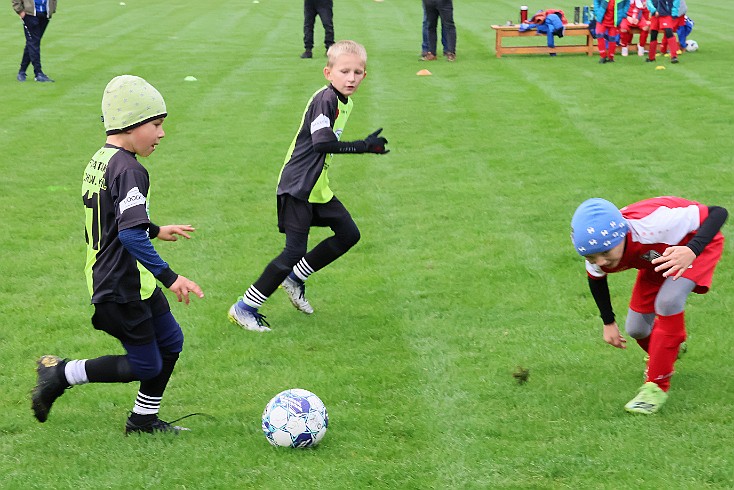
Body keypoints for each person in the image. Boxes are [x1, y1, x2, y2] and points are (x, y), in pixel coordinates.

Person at [31, 75, 205, 434]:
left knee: (171, 342)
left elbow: (118, 217)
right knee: (145, 365)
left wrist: (156, 229)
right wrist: (172, 278)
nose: (161, 134)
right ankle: (60, 373)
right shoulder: (131, 169)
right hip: (119, 283)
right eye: (156, 125)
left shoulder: (103, 159)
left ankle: (142, 421)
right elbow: (128, 234)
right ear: (131, 124)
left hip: (129, 277)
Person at [229, 40, 389, 333]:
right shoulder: (325, 100)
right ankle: (244, 307)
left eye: (357, 72)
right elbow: (322, 143)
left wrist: (364, 147)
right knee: (292, 251)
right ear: (328, 72)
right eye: (344, 71)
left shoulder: (344, 101)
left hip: (317, 186)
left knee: (348, 233)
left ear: (365, 75)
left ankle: (294, 278)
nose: (351, 77)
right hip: (298, 187)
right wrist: (362, 146)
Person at [571, 197, 727, 414]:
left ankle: (655, 387)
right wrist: (608, 322)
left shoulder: (652, 224)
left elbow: (717, 212)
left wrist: (692, 249)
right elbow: (596, 280)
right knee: (637, 328)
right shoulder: (598, 249)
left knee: (669, 301)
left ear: (621, 235)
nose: (600, 262)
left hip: (693, 246)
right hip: (658, 257)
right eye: (591, 257)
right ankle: (670, 347)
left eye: (606, 253)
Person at [12, 0, 56, 82]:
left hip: (45, 14)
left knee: (33, 42)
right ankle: (38, 73)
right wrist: (20, 11)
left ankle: (22, 71)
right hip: (30, 15)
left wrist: (52, 8)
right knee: (34, 43)